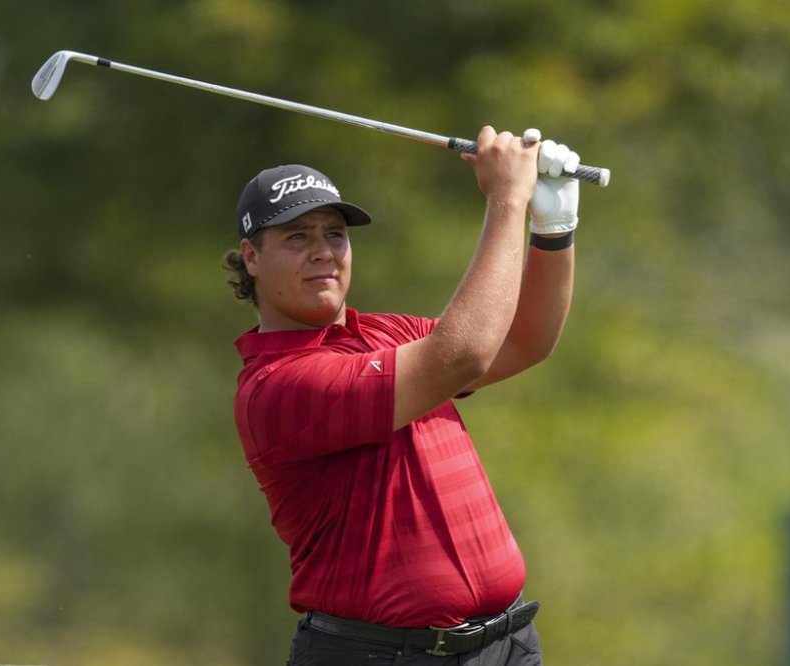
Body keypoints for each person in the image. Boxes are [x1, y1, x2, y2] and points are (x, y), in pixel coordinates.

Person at [223, 125, 580, 665]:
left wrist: (553, 231)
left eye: (335, 234)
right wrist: (507, 200)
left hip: (506, 646)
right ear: (251, 257)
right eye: (297, 237)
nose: (323, 252)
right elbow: (461, 355)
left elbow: (522, 342)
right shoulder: (276, 386)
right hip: (381, 655)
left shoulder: (388, 333)